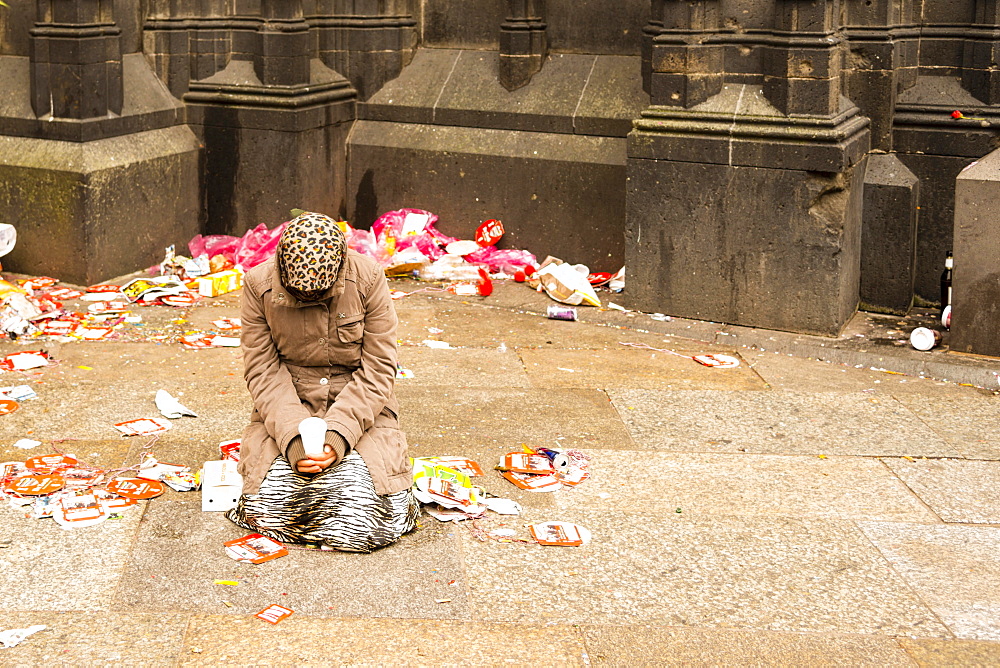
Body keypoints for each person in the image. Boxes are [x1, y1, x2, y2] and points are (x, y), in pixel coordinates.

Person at [227, 211, 418, 552]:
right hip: (288, 402)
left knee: (365, 508)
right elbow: (263, 371)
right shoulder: (257, 285)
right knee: (270, 504)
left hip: (360, 403)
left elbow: (378, 368)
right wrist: (294, 439)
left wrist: (337, 436)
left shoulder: (369, 278)